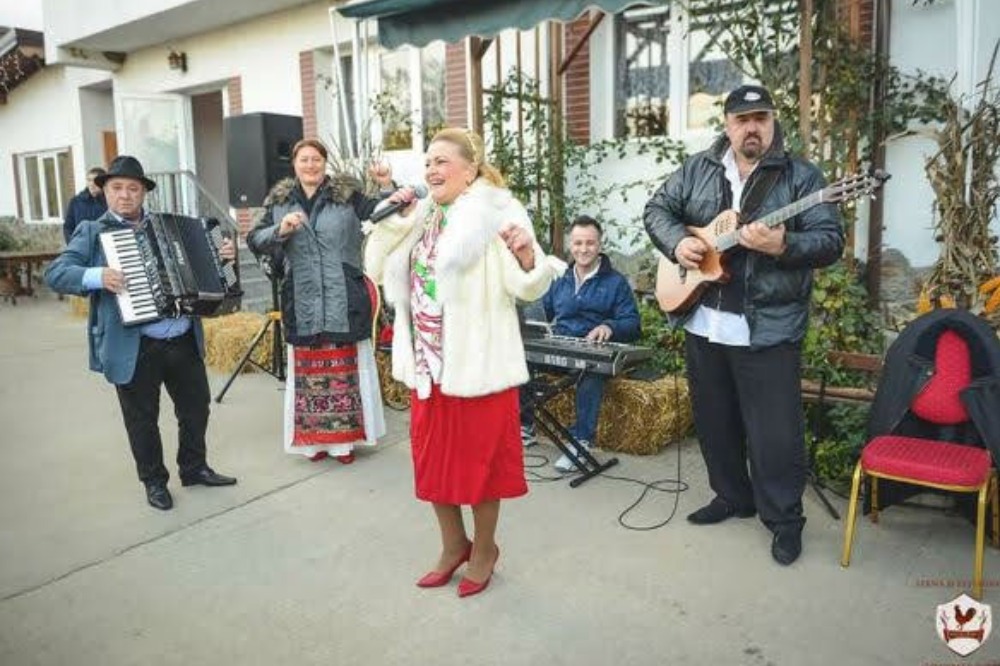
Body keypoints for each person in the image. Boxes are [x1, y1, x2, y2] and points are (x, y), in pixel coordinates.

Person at [643, 85, 844, 565]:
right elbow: (657, 210)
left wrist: (783, 246)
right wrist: (678, 245)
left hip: (768, 328)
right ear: (727, 125)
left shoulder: (802, 177)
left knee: (775, 433)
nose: (751, 127)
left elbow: (830, 240)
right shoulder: (699, 168)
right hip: (705, 322)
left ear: (773, 122)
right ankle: (733, 497)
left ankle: (783, 520)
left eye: (761, 118)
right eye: (742, 119)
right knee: (715, 422)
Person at [364, 127, 560, 598]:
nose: (431, 170)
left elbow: (527, 287)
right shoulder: (422, 213)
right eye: (427, 161)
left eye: (441, 161)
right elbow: (374, 266)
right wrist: (394, 218)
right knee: (432, 463)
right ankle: (453, 544)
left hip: (478, 367)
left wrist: (532, 257)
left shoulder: (497, 212)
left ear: (470, 169)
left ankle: (485, 550)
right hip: (429, 367)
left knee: (481, 467)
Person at [45, 155, 238, 511]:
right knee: (142, 419)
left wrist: (222, 257)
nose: (125, 196)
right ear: (105, 191)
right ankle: (154, 482)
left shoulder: (172, 226)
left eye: (133, 189)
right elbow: (56, 273)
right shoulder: (92, 231)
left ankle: (194, 468)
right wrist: (97, 276)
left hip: (181, 336)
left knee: (196, 409)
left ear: (143, 193)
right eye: (117, 188)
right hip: (137, 346)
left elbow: (210, 274)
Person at [247, 138, 395, 465]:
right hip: (302, 295)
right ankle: (314, 443)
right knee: (307, 370)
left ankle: (346, 443)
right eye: (304, 160)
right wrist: (280, 230)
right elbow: (253, 238)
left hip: (343, 293)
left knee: (346, 367)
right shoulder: (280, 201)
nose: (310, 165)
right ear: (295, 165)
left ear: (325, 164)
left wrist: (386, 186)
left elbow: (382, 213)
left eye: (316, 159)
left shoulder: (348, 195)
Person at [520, 215, 641, 472]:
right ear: (570, 245)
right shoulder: (561, 279)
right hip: (560, 347)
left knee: (591, 373)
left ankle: (580, 442)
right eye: (577, 243)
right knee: (519, 359)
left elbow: (632, 324)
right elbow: (544, 312)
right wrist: (530, 321)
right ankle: (525, 425)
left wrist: (610, 326)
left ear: (599, 245)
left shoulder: (615, 283)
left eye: (589, 243)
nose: (583, 249)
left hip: (592, 353)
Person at [63, 166, 108, 244]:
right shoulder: (76, 201)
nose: (92, 184)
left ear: (103, 182)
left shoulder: (110, 202)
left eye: (95, 181)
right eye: (89, 180)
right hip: (81, 246)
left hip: (105, 247)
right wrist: (72, 244)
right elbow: (68, 227)